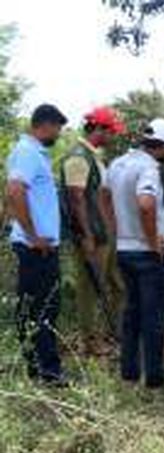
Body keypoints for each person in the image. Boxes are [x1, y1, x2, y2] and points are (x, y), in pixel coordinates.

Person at [100, 118, 164, 389]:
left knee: (132, 314)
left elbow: (102, 195)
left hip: (125, 251)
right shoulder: (149, 168)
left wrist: (116, 230)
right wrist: (152, 243)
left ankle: (129, 375)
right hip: (150, 256)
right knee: (154, 317)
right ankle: (155, 381)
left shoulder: (117, 164)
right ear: (162, 146)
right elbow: (146, 205)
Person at [4, 104, 68, 385]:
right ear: (45, 124)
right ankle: (48, 372)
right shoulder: (28, 153)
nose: (57, 134)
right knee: (43, 308)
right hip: (35, 248)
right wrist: (32, 236)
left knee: (36, 307)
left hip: (38, 246)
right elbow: (14, 191)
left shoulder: (31, 153)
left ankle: (35, 367)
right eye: (57, 128)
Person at [60, 107, 127, 351]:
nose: (113, 137)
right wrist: (86, 235)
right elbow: (75, 198)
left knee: (116, 283)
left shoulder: (93, 156)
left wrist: (111, 229)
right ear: (99, 129)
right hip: (91, 235)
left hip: (103, 233)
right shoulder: (78, 157)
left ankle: (116, 331)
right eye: (111, 132)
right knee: (89, 287)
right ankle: (89, 341)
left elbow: (99, 196)